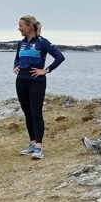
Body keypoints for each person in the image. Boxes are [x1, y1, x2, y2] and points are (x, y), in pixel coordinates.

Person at [14, 14, 65, 160]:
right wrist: (15, 66)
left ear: (29, 26)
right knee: (27, 112)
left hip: (36, 80)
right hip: (21, 79)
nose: (19, 28)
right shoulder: (21, 42)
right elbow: (17, 57)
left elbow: (60, 57)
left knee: (36, 112)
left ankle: (38, 147)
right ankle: (32, 143)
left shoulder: (42, 42)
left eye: (21, 25)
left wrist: (46, 70)